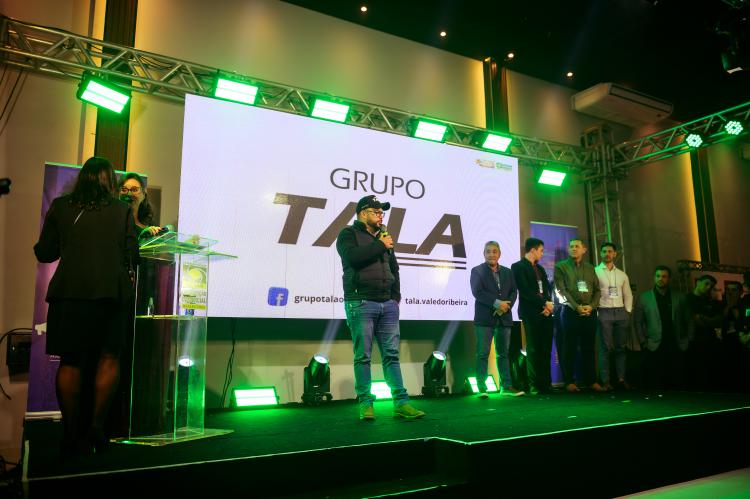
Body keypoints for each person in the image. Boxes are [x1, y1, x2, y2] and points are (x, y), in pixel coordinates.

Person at [34, 156, 138, 456]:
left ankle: (70, 434)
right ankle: (96, 429)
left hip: (70, 295)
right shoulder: (121, 210)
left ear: (82, 179)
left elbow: (45, 253)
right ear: (111, 181)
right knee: (109, 358)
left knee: (70, 362)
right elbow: (133, 254)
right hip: (110, 295)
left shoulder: (60, 206)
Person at [335, 195, 424, 421]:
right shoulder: (348, 234)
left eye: (381, 212)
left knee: (391, 355)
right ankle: (366, 403)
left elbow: (394, 267)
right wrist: (380, 244)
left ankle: (401, 403)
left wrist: (395, 297)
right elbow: (353, 258)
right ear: (363, 213)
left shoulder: (383, 237)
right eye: (376, 212)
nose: (380, 215)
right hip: (361, 301)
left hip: (388, 304)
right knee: (363, 356)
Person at [470, 241, 523, 398]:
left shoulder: (508, 272)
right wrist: (497, 304)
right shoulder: (477, 271)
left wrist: (506, 306)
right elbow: (477, 292)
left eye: (494, 251)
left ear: (499, 254)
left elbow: (514, 291)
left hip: (504, 318)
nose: (491, 254)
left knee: (503, 354)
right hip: (484, 319)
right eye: (488, 251)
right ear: (484, 254)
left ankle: (506, 386)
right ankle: (481, 388)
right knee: (482, 353)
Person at [554, 239, 603, 393]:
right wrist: (577, 307)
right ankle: (569, 381)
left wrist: (591, 306)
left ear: (584, 250)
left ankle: (591, 381)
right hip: (570, 311)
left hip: (589, 312)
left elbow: (597, 290)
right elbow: (561, 290)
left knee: (589, 347)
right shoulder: (561, 266)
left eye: (577, 246)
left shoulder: (590, 268)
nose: (574, 249)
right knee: (569, 347)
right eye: (571, 246)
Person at [633, 265, 692, 390]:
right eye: (658, 276)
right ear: (654, 278)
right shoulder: (644, 297)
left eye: (664, 276)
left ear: (669, 278)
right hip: (654, 344)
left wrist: (689, 339)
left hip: (676, 343)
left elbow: (689, 320)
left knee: (676, 380)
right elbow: (638, 322)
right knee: (656, 380)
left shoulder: (680, 296)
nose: (661, 279)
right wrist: (643, 342)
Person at [511, 237, 555, 395]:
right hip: (531, 313)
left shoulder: (540, 268)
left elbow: (547, 289)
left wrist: (548, 305)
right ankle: (534, 385)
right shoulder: (518, 266)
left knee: (545, 349)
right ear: (533, 250)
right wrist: (544, 304)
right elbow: (525, 291)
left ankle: (546, 384)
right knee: (533, 349)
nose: (542, 254)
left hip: (546, 314)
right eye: (541, 250)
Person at [595, 242, 633, 391]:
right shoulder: (595, 271)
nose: (607, 254)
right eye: (604, 251)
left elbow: (628, 294)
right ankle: (605, 381)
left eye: (610, 251)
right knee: (605, 347)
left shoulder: (622, 274)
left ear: (615, 254)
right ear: (600, 253)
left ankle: (621, 379)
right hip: (604, 311)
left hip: (621, 312)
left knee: (621, 348)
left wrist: (627, 312)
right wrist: (597, 311)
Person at [685, 274, 723, 391]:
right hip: (693, 342)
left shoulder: (710, 301)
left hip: (709, 341)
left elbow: (718, 320)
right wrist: (707, 320)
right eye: (706, 284)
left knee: (709, 374)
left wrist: (702, 318)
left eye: (711, 286)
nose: (708, 287)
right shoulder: (687, 299)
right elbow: (693, 320)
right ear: (698, 282)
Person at [118, 172, 161, 238]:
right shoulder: (115, 221)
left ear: (143, 194)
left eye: (134, 189)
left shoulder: (149, 222)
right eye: (124, 190)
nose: (129, 194)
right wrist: (141, 237)